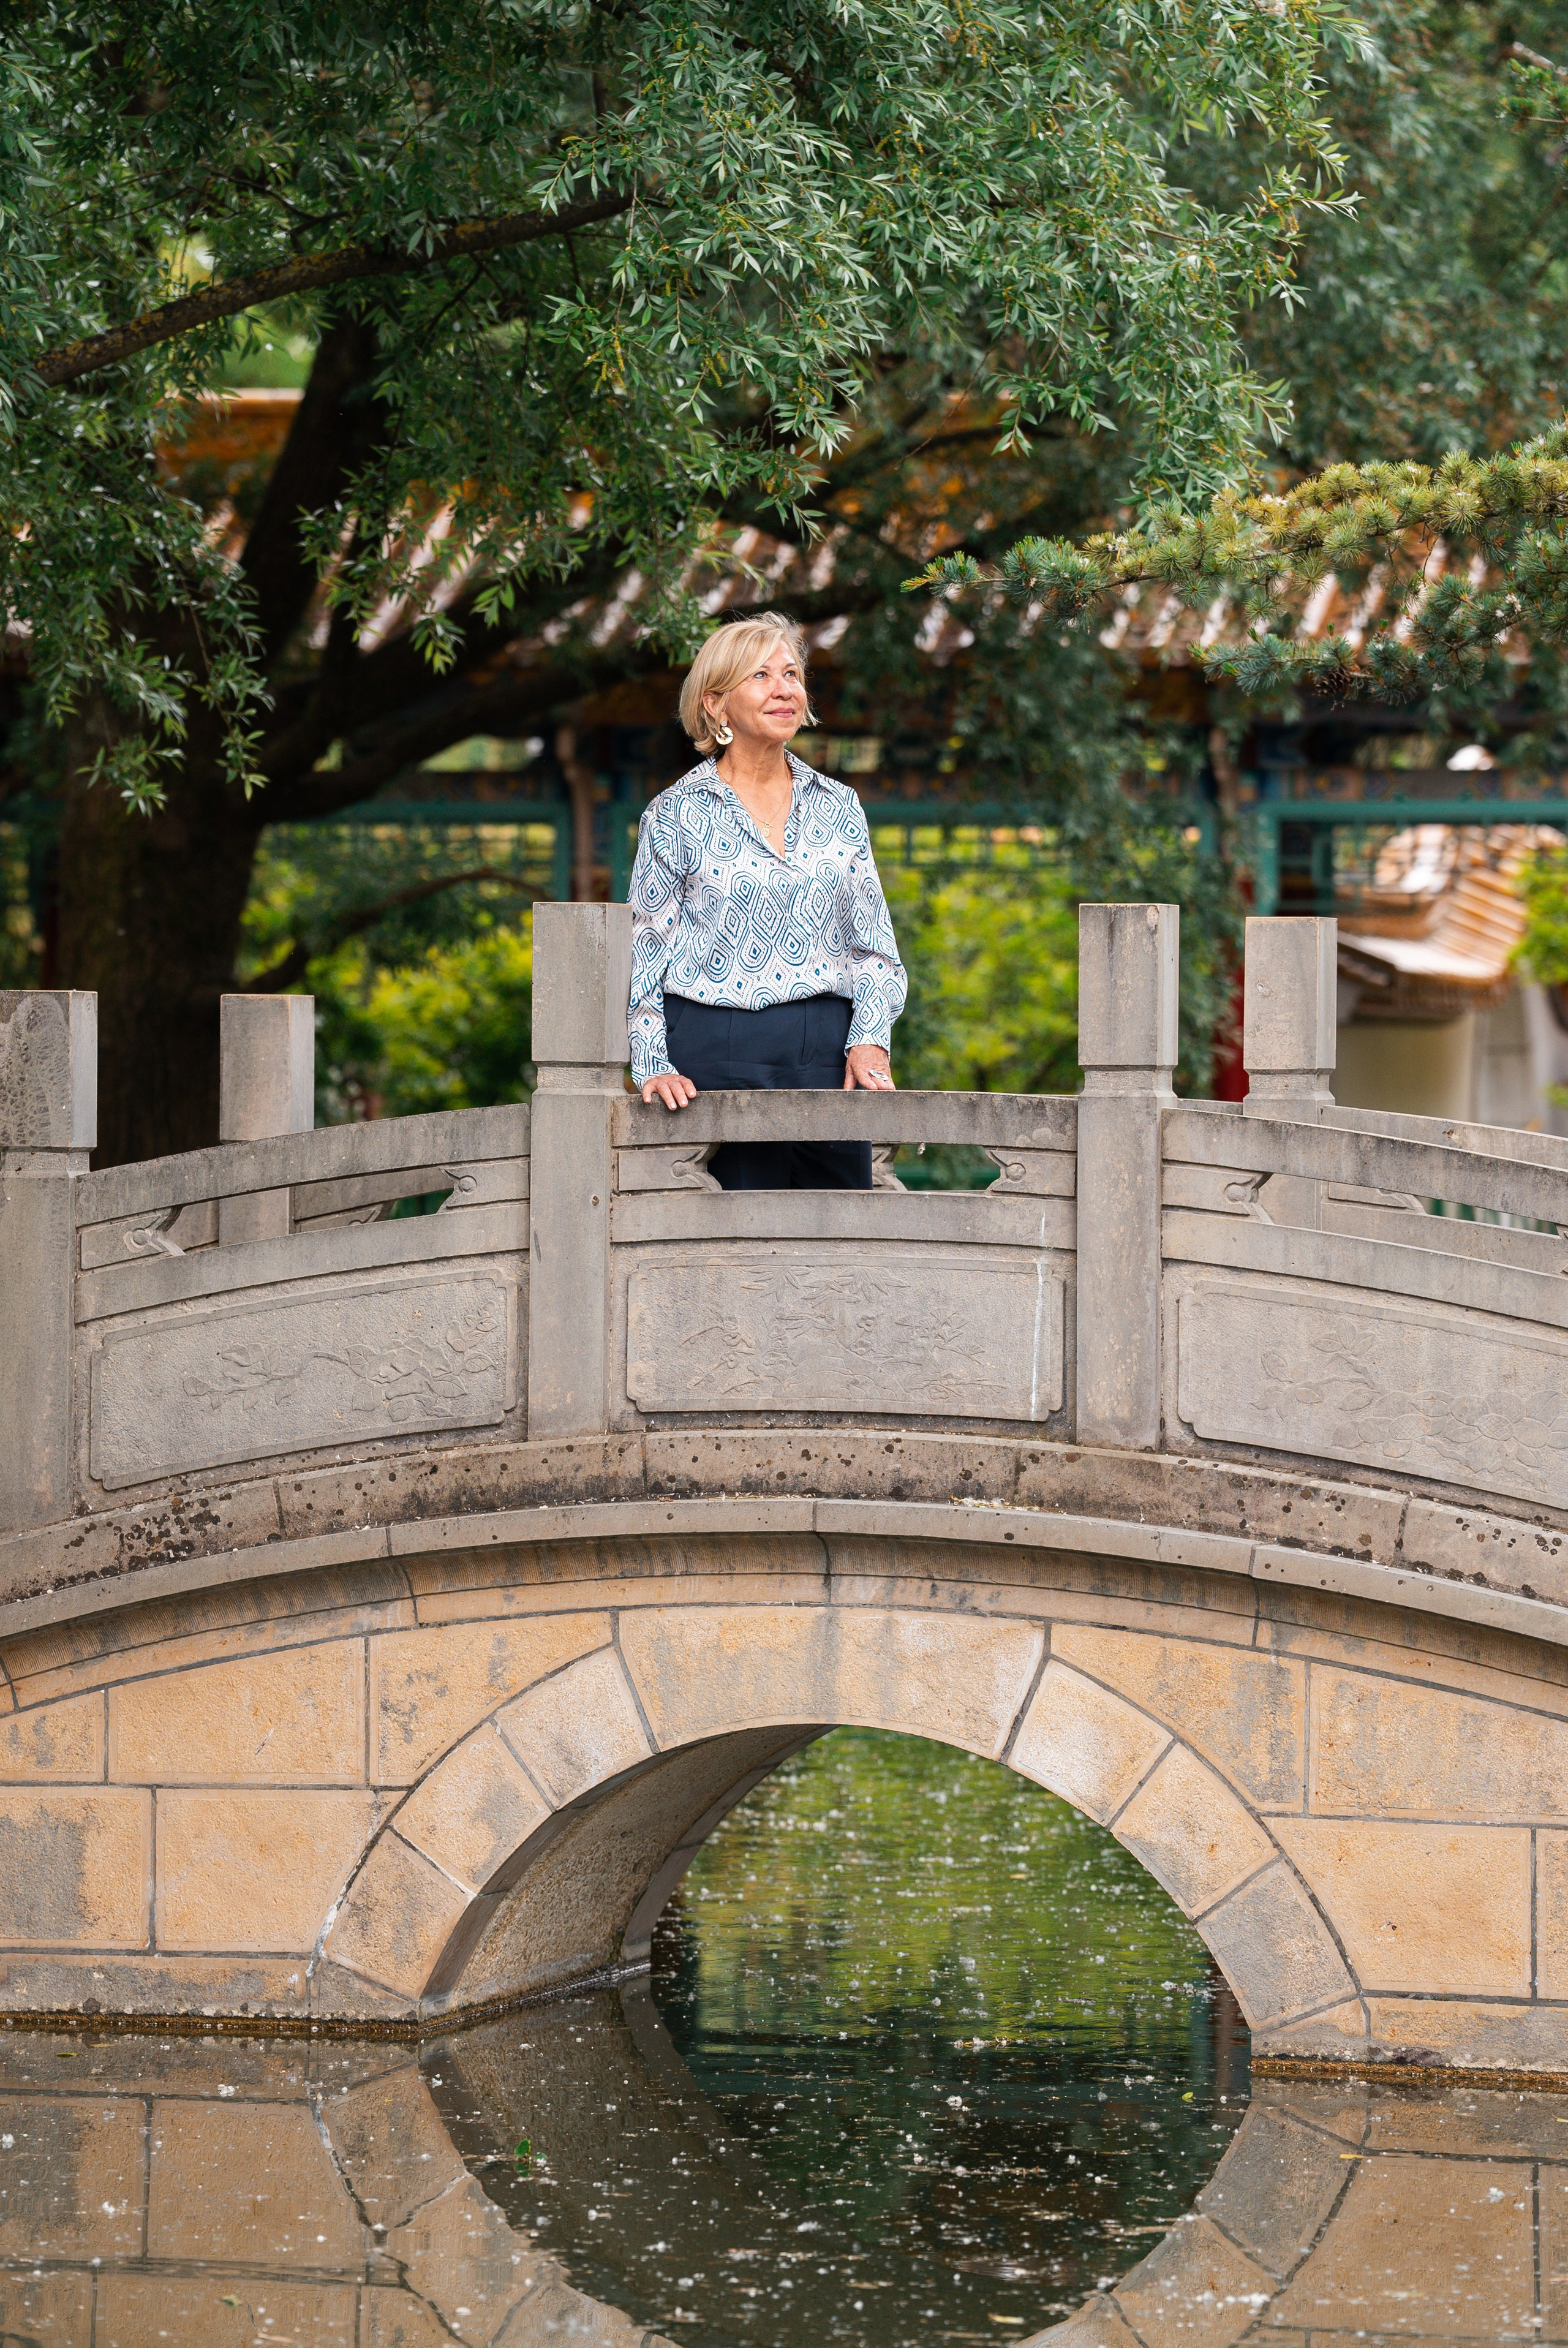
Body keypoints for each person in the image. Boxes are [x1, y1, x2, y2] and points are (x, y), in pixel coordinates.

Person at [628, 613, 907, 1190]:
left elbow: (874, 949)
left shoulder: (839, 805)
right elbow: (645, 949)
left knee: (837, 1242)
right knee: (733, 1252)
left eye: (791, 674)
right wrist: (652, 1063)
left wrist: (871, 1039)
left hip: (827, 1053)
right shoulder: (675, 813)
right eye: (761, 675)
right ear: (715, 703)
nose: (784, 688)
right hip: (712, 1052)